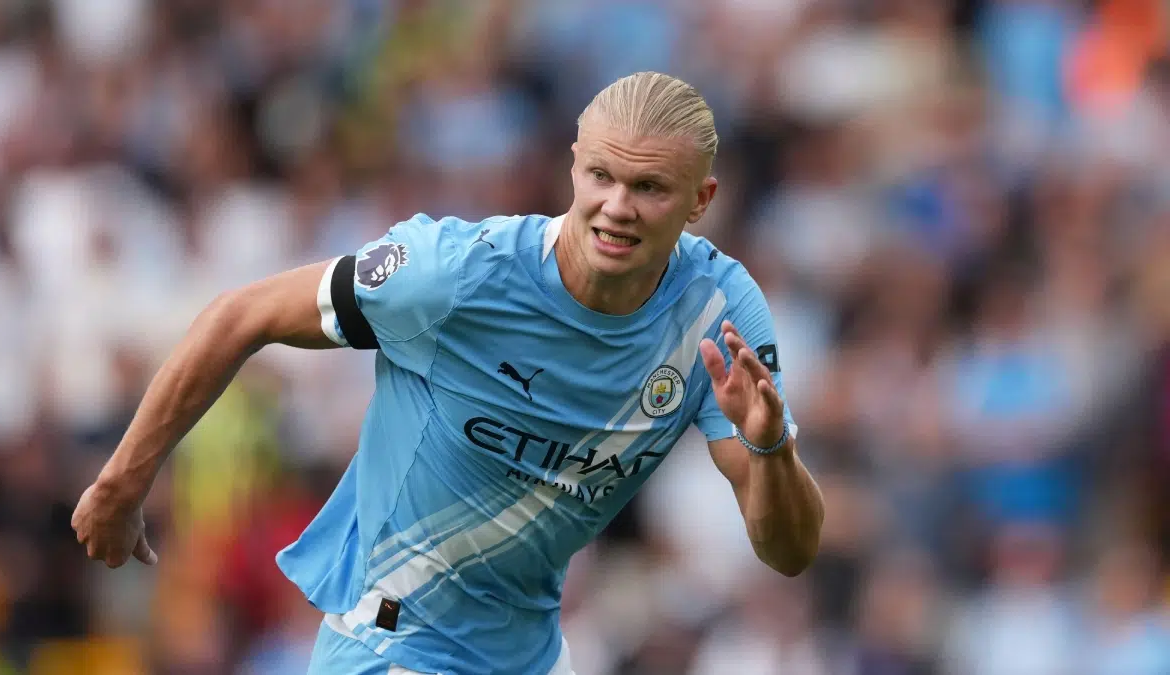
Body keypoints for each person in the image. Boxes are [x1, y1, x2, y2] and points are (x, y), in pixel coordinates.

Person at [71, 71, 826, 675]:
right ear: (573, 165)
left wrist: (771, 449)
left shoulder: (717, 314)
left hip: (531, 654)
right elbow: (240, 315)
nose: (616, 207)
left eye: (650, 188)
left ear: (702, 200)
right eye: (601, 176)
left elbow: (787, 552)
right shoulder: (452, 275)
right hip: (393, 644)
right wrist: (121, 483)